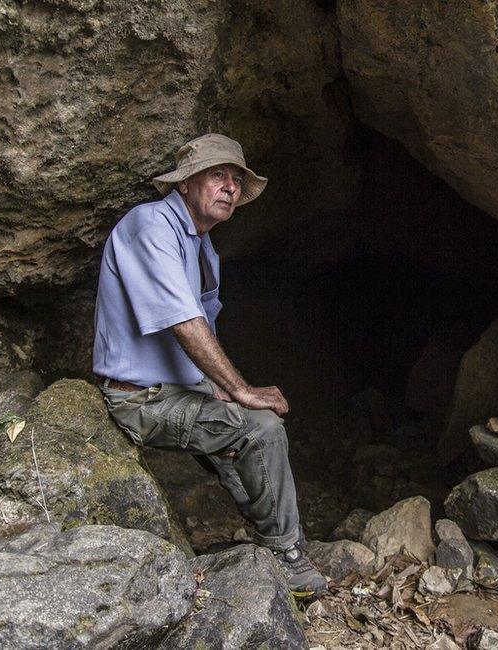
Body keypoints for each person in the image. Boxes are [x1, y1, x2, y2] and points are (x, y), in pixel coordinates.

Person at [92, 133, 327, 598]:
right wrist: (239, 389)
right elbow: (184, 321)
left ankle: (270, 537)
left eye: (237, 180)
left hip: (177, 390)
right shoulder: (152, 225)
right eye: (218, 175)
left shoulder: (202, 248)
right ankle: (285, 554)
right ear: (185, 184)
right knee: (258, 427)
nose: (231, 187)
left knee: (241, 437)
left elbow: (201, 330)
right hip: (141, 397)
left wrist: (213, 385)